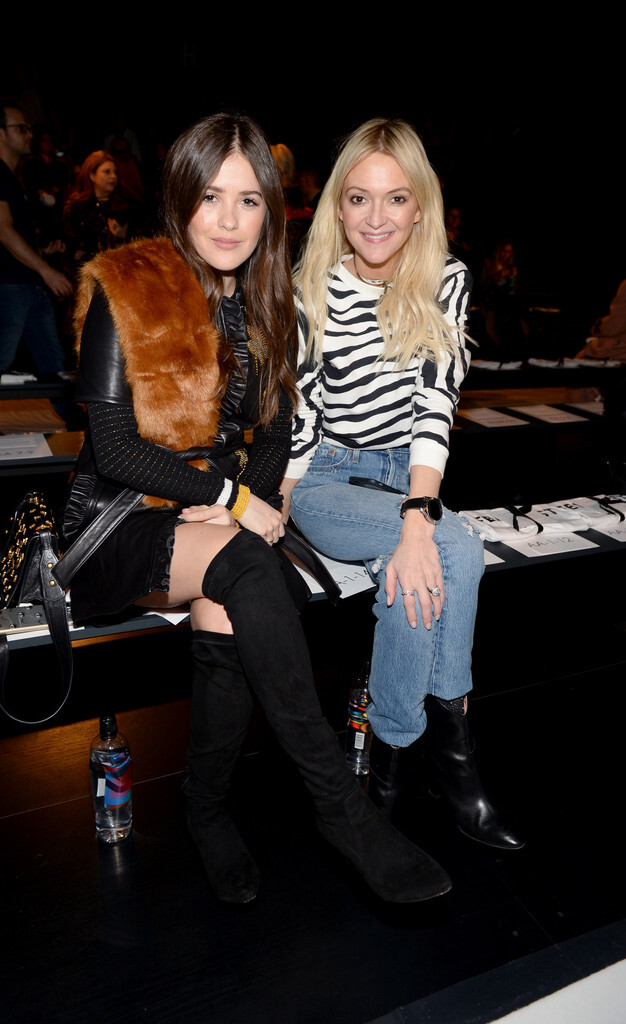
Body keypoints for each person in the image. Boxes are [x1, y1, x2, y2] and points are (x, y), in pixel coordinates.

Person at [62, 113, 452, 906]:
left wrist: (238, 500)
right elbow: (113, 449)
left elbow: (276, 437)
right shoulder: (127, 285)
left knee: (229, 613)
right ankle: (340, 809)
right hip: (116, 519)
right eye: (211, 197)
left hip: (208, 522)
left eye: (248, 201)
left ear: (270, 211)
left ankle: (205, 809)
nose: (229, 220)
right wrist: (230, 499)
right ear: (180, 198)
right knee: (247, 563)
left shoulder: (268, 300)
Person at [280, 118, 523, 851]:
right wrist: (281, 500)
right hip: (326, 478)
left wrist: (416, 515)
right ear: (337, 205)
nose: (376, 217)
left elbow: (434, 404)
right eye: (359, 198)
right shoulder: (310, 286)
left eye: (395, 198)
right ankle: (451, 762)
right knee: (457, 549)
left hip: (404, 474)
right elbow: (301, 410)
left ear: (421, 206)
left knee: (433, 558)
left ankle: (389, 773)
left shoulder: (446, 280)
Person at [0, 98, 72, 434]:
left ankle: (74, 420)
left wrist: (44, 253)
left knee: (52, 362)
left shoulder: (13, 177)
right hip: (8, 286)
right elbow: (2, 231)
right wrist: (46, 269)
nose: (29, 134)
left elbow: (11, 236)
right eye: (21, 128)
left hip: (28, 285)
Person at [62, 150, 132, 268]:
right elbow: (67, 239)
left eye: (115, 172)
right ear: (92, 176)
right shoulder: (76, 207)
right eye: (107, 172)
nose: (113, 176)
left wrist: (125, 235)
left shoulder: (125, 205)